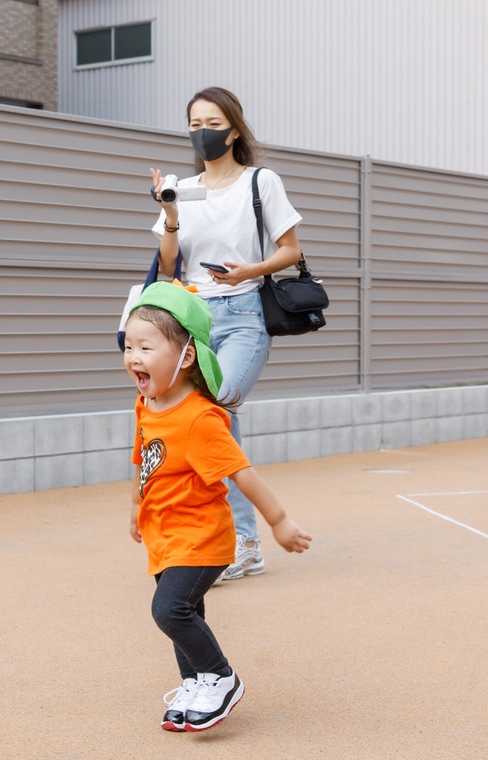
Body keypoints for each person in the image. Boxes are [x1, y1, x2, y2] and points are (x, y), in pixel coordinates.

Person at [123, 281, 312, 733]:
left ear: (186, 356)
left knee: (170, 611)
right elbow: (143, 456)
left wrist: (279, 522)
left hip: (201, 536)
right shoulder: (148, 402)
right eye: (128, 346)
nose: (133, 357)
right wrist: (135, 505)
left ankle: (220, 677)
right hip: (166, 535)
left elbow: (242, 473)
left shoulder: (200, 419)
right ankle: (194, 684)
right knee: (188, 613)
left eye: (146, 347)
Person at [148, 86, 304, 582]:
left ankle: (244, 541)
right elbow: (169, 266)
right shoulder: (181, 187)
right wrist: (171, 216)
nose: (203, 133)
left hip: (242, 316)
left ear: (233, 130)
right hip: (192, 319)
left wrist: (249, 270)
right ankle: (232, 541)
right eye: (195, 124)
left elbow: (292, 250)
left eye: (213, 124)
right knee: (212, 423)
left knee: (213, 410)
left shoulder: (261, 181)